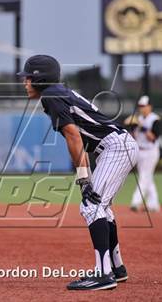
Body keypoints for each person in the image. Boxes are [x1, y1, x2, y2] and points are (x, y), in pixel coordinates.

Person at [17, 55, 139, 291]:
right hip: (116, 146)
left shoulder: (51, 95)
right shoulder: (56, 92)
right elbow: (78, 137)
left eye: (28, 78)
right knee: (101, 207)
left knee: (91, 206)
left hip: (115, 148)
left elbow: (73, 136)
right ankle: (116, 268)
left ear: (40, 79)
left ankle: (103, 275)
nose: (25, 83)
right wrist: (85, 175)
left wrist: (84, 179)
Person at [130, 95, 161, 212]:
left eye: (144, 106)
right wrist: (133, 128)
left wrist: (142, 127)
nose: (141, 108)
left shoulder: (155, 119)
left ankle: (135, 202)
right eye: (140, 106)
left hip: (150, 152)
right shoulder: (138, 119)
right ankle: (154, 205)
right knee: (148, 178)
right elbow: (133, 136)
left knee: (143, 178)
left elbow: (153, 138)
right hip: (140, 151)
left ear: (150, 107)